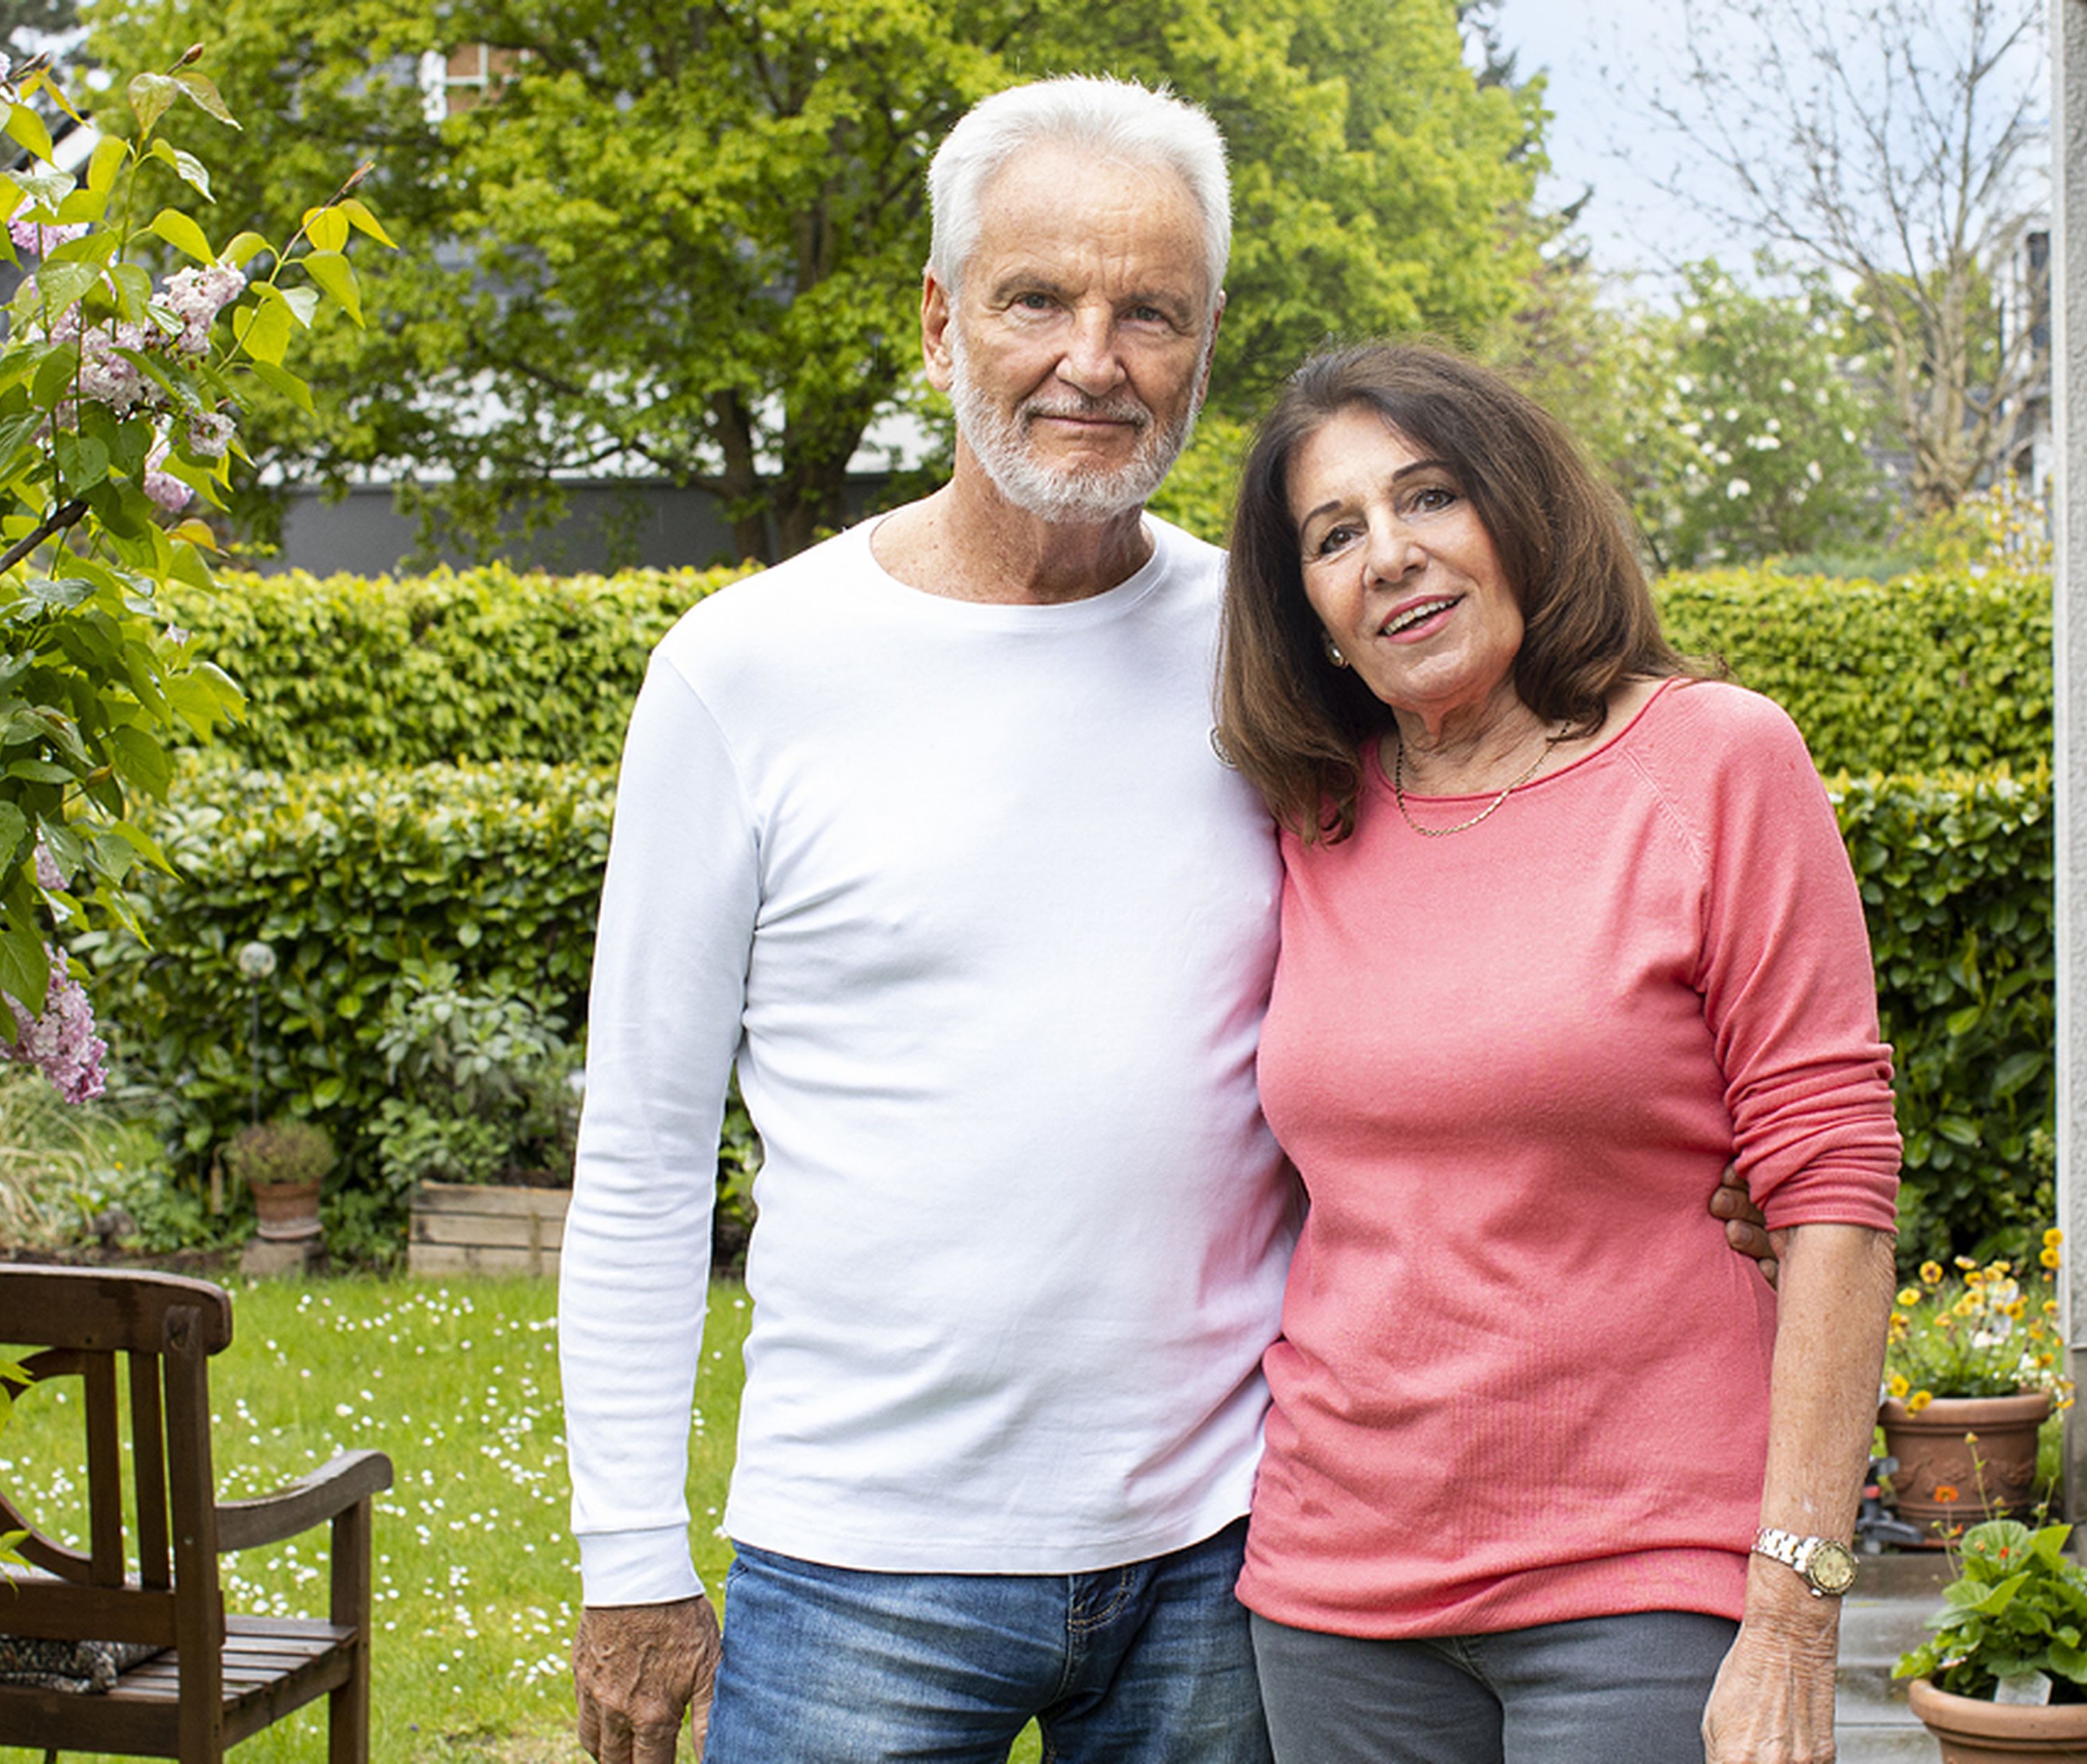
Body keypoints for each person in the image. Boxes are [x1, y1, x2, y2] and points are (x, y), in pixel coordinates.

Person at [557, 79, 1780, 1764]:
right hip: (865, 1564)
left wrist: (1727, 1158)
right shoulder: (742, 671)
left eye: (1151, 311)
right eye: (1036, 298)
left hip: (1229, 1548)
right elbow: (639, 1146)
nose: (1094, 356)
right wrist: (627, 1549)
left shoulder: (1284, 646)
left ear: (1204, 351)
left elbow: (1526, 880)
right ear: (939, 319)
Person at [1213, 341, 1902, 1764]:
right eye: (1334, 536)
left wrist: (1794, 1605)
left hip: (1644, 1582)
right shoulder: (1307, 821)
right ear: (1311, 613)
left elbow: (1834, 1189)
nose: (1391, 555)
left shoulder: (1715, 765)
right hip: (1336, 1588)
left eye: (1431, 498)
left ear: (1519, 511)